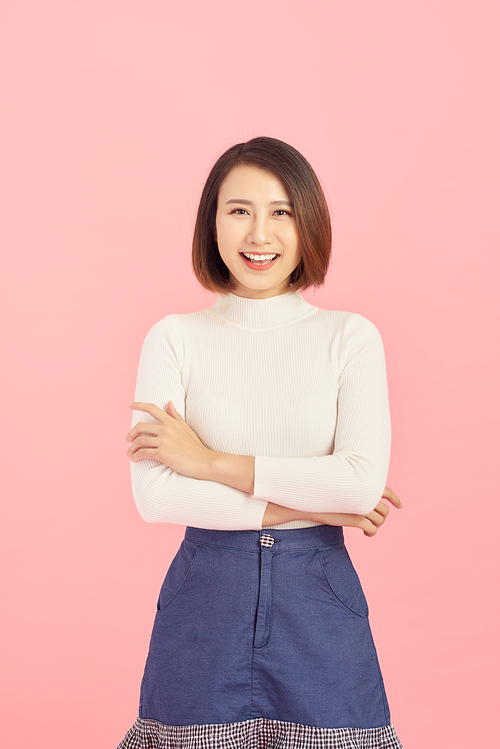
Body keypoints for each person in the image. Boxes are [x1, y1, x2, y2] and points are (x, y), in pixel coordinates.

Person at [118, 136, 404, 749]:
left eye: (281, 212)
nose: (260, 234)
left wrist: (207, 461)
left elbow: (358, 482)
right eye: (239, 210)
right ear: (211, 222)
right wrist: (311, 506)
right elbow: (157, 498)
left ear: (309, 223)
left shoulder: (350, 338)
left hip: (319, 604)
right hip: (205, 602)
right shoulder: (174, 339)